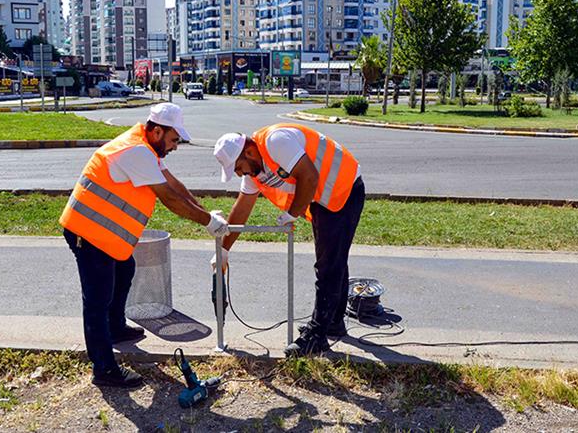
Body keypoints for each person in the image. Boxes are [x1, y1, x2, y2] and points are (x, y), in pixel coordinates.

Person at [60, 103, 229, 388]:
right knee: (97, 300)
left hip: (106, 236)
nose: (175, 146)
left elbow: (174, 184)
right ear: (158, 131)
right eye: (174, 140)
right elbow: (169, 199)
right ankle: (103, 369)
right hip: (87, 231)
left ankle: (114, 329)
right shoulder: (136, 151)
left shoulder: (146, 147)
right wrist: (206, 222)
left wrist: (205, 211)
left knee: (125, 269)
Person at [212, 123, 365, 357]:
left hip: (343, 188)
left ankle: (317, 335)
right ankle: (333, 322)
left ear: (249, 152)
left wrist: (293, 212)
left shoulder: (276, 141)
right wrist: (224, 250)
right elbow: (242, 207)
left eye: (240, 168)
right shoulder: (256, 169)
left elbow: (309, 177)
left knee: (328, 265)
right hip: (324, 196)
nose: (241, 173)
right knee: (333, 259)